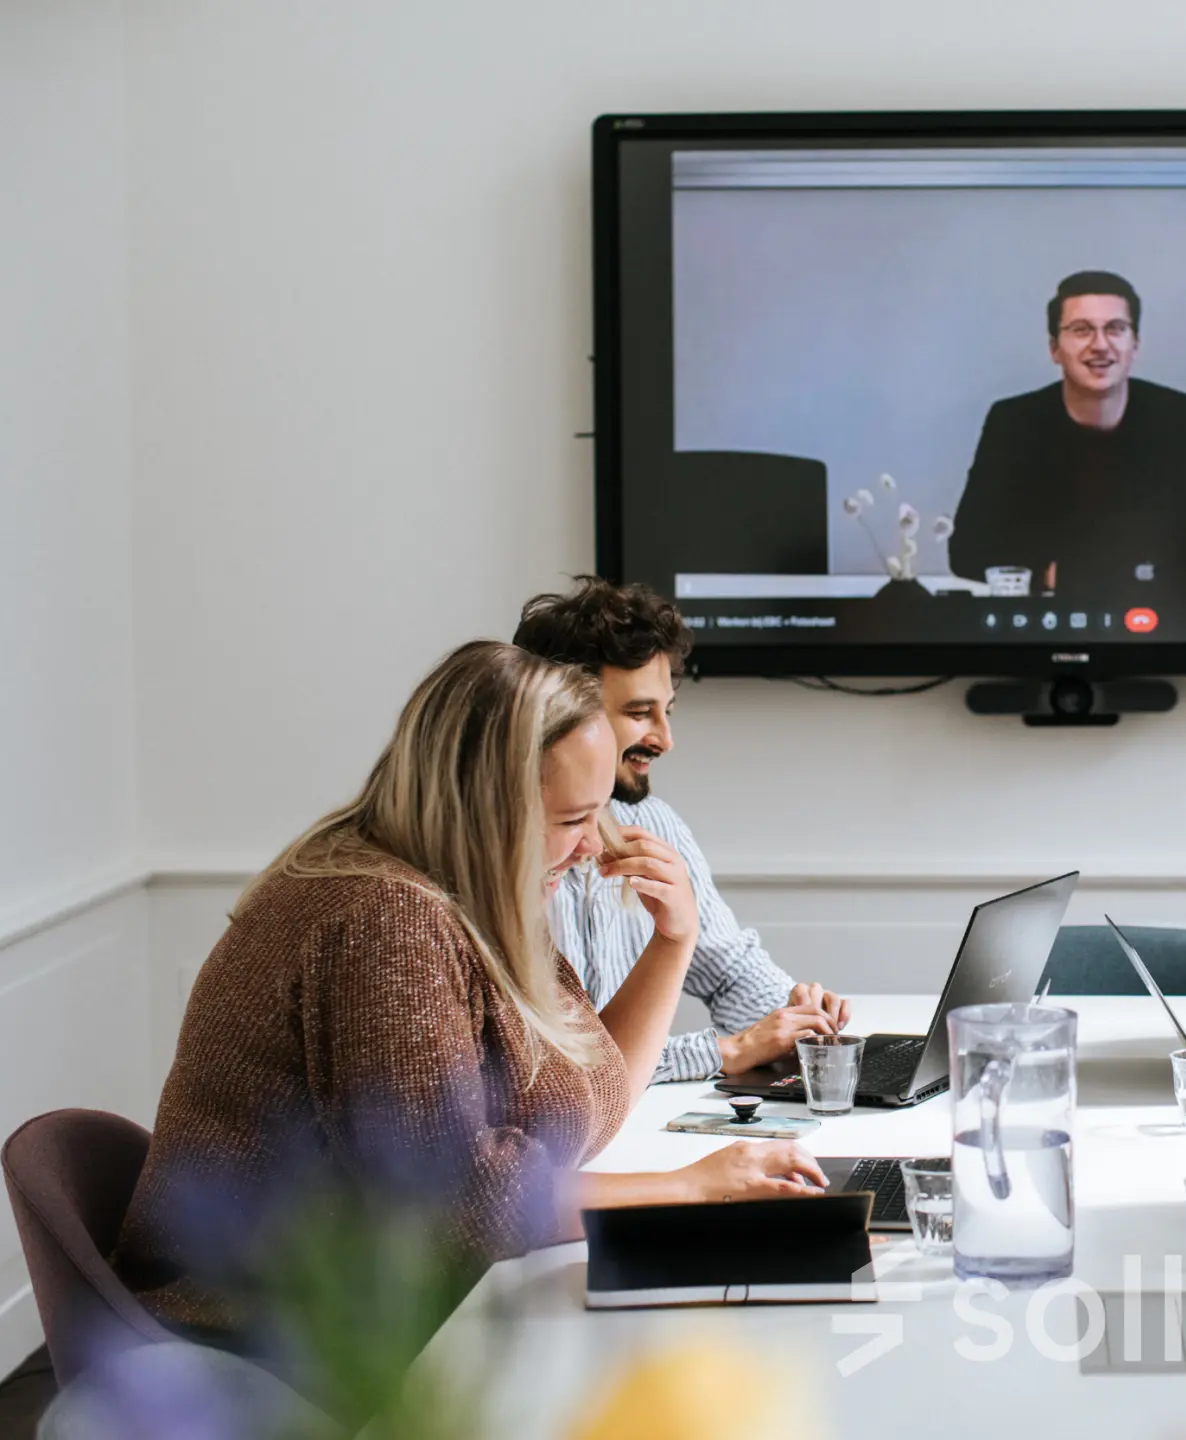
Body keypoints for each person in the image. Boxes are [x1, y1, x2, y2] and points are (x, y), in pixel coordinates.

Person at [113, 643, 824, 1357]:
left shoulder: (478, 889)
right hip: (262, 1344)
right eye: (574, 819)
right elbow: (465, 1205)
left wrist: (673, 941)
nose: (591, 850)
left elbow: (592, 1102)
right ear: (488, 806)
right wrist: (692, 1188)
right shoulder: (381, 917)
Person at [514, 576, 849, 1081]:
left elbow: (729, 970)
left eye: (665, 712)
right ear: (558, 711)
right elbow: (554, 1070)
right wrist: (722, 1051)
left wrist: (795, 1021)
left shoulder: (653, 821)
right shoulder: (489, 850)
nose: (665, 739)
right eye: (638, 713)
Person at [948, 270, 1186, 603]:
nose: (1100, 345)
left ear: (1135, 345)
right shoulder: (1013, 422)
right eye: (1081, 330)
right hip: (1047, 622)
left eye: (1116, 329)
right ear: (1054, 349)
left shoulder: (1183, 419)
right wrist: (1061, 575)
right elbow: (967, 550)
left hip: (1157, 623)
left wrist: (1089, 574)